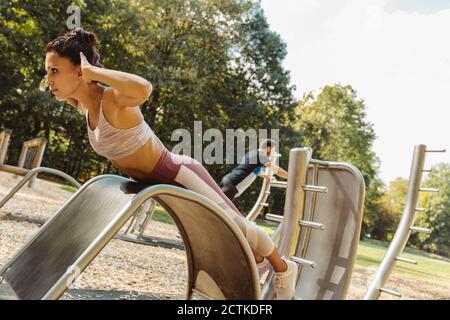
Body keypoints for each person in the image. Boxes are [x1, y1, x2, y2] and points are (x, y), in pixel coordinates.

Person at [44, 28, 297, 299]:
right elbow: (82, 94)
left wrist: (93, 73)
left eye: (54, 71)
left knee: (236, 225)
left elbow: (143, 88)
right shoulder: (84, 105)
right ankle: (257, 261)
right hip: (156, 182)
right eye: (48, 71)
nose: (48, 79)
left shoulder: (114, 100)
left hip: (178, 173)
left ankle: (283, 270)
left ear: (80, 71)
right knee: (229, 233)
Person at [220, 139, 288, 202]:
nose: (274, 153)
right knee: (219, 208)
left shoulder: (252, 153)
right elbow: (277, 170)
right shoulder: (261, 156)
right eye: (274, 150)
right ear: (268, 149)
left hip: (228, 180)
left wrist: (267, 177)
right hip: (234, 184)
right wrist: (291, 176)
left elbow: (253, 171)